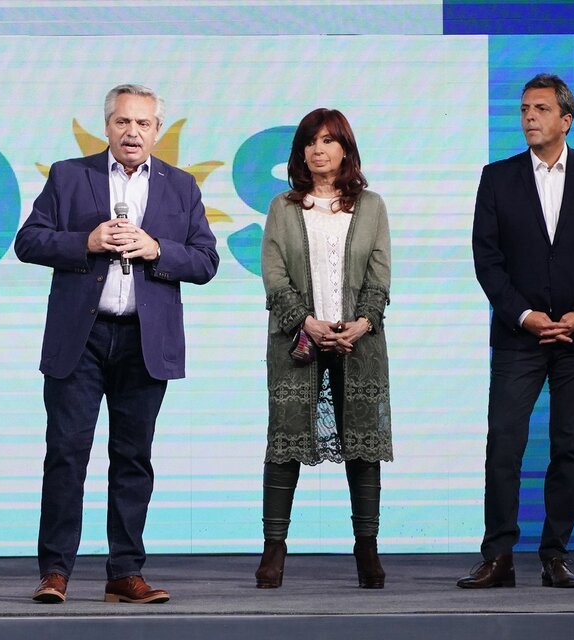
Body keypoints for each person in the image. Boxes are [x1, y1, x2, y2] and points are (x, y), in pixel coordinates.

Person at [14, 84, 219, 604]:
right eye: (123, 122)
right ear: (107, 126)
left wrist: (157, 248)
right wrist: (85, 242)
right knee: (66, 455)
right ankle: (55, 571)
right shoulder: (69, 175)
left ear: (157, 131)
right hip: (80, 339)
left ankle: (125, 573)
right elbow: (28, 241)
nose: (132, 132)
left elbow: (205, 261)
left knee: (133, 459)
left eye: (143, 124)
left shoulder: (181, 186)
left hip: (144, 342)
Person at [458, 74, 574, 589]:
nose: (529, 117)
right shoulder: (497, 177)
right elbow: (487, 259)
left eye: (541, 108)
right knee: (504, 444)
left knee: (569, 448)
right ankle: (498, 557)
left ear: (566, 119)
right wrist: (524, 315)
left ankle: (555, 555)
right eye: (524, 109)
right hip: (519, 337)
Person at [256, 108, 393, 590]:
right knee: (285, 441)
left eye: (329, 140)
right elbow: (274, 275)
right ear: (301, 151)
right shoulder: (283, 207)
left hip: (359, 343)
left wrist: (362, 323)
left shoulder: (371, 206)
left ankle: (367, 549)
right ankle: (274, 549)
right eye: (311, 141)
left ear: (345, 149)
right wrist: (307, 323)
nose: (319, 149)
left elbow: (380, 275)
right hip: (297, 341)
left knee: (363, 444)